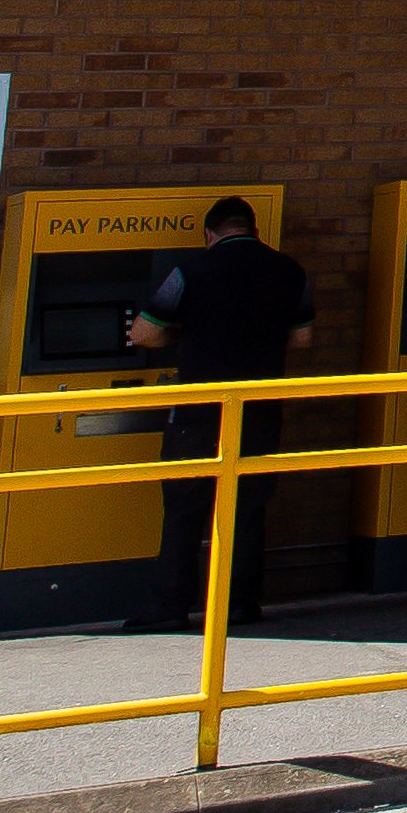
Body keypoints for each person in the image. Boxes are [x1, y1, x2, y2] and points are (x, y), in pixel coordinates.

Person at [125, 198, 312, 633]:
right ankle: (239, 603)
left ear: (210, 233)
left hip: (200, 408)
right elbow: (302, 339)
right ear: (253, 229)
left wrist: (188, 331)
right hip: (261, 407)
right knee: (248, 506)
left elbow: (146, 333)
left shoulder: (190, 271)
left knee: (185, 506)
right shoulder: (291, 271)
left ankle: (170, 607)